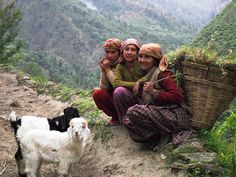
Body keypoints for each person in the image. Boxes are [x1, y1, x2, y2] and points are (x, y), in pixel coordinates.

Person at [123, 43, 194, 148]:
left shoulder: (163, 74)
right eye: (141, 56)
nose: (142, 60)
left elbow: (177, 96)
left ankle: (165, 134)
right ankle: (156, 138)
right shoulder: (148, 74)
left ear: (155, 59)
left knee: (133, 111)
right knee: (127, 120)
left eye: (147, 57)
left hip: (175, 115)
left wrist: (154, 92)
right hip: (163, 114)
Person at [113, 38, 146, 124]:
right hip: (128, 97)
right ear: (122, 52)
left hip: (143, 96)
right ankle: (126, 120)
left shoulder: (142, 63)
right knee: (118, 91)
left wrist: (140, 83)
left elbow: (149, 76)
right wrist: (135, 84)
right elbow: (116, 83)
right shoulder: (120, 66)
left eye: (133, 50)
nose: (129, 52)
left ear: (138, 52)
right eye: (126, 49)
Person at [92, 38, 122, 126]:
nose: (109, 55)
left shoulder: (124, 64)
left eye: (113, 52)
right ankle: (116, 116)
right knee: (98, 93)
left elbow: (116, 84)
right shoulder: (108, 64)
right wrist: (104, 71)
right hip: (114, 96)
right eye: (107, 52)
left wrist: (108, 69)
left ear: (120, 52)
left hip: (125, 96)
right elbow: (104, 87)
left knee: (119, 91)